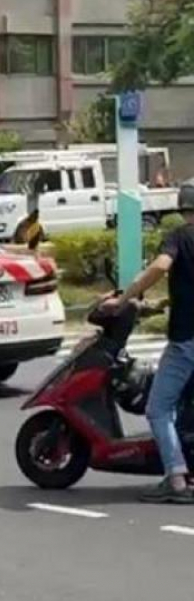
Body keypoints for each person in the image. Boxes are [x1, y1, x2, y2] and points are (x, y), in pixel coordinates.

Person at [104, 180, 194, 504]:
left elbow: (160, 266)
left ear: (182, 207)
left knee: (158, 408)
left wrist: (124, 298)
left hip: (187, 342)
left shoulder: (180, 237)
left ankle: (177, 478)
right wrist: (159, 305)